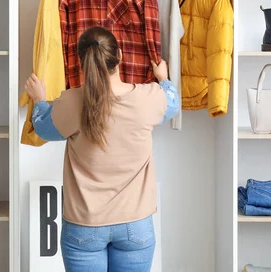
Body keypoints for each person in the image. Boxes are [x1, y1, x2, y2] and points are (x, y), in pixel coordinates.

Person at [24, 26, 179, 272]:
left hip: (84, 226)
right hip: (135, 226)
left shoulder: (72, 102)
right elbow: (173, 102)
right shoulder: (150, 97)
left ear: (82, 62)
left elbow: (43, 129)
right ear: (120, 56)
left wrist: (40, 99)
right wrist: (163, 77)